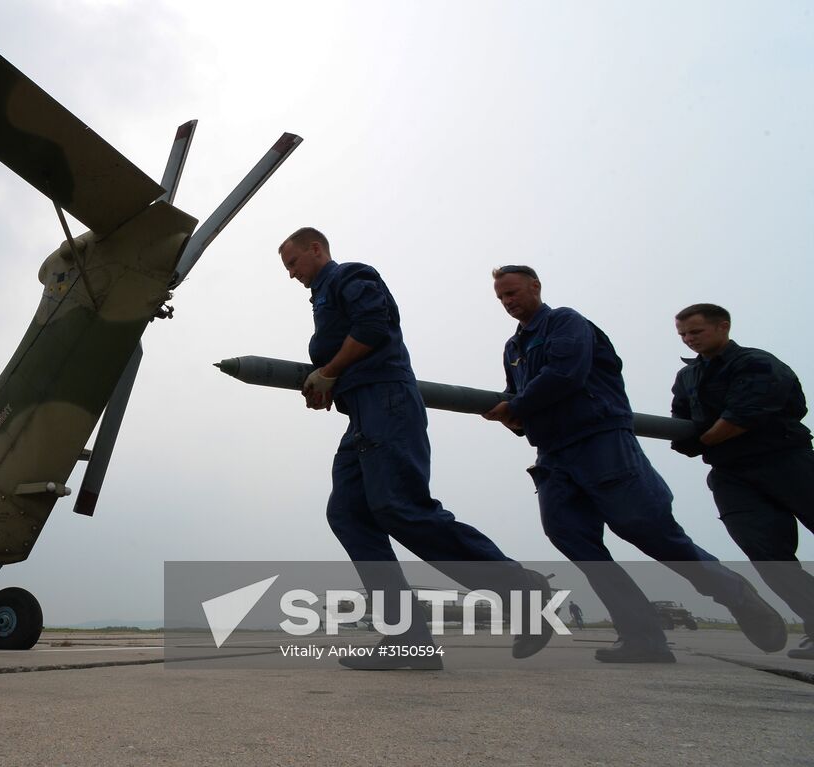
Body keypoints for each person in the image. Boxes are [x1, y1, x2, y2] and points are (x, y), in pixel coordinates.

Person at [278, 228, 552, 670]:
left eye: (293, 263)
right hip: (362, 414)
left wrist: (329, 370)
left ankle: (519, 589)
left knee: (399, 507)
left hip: (387, 403)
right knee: (348, 513)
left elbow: (373, 328)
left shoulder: (350, 276)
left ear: (316, 249)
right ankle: (410, 638)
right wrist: (330, 379)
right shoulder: (324, 295)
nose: (290, 274)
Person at [483, 265, 787, 663]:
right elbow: (516, 393)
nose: (509, 302)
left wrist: (517, 406)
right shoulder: (514, 348)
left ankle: (735, 594)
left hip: (600, 441)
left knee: (649, 531)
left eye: (514, 292)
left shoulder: (566, 323)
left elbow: (565, 375)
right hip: (553, 454)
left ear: (535, 287)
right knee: (571, 537)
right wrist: (513, 415)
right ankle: (643, 637)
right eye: (502, 297)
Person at [671, 303, 814, 660]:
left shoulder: (755, 363)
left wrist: (700, 440)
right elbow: (681, 422)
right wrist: (692, 439)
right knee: (768, 557)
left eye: (696, 332)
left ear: (723, 327)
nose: (689, 339)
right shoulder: (687, 377)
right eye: (683, 334)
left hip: (786, 461)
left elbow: (739, 418)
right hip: (732, 475)